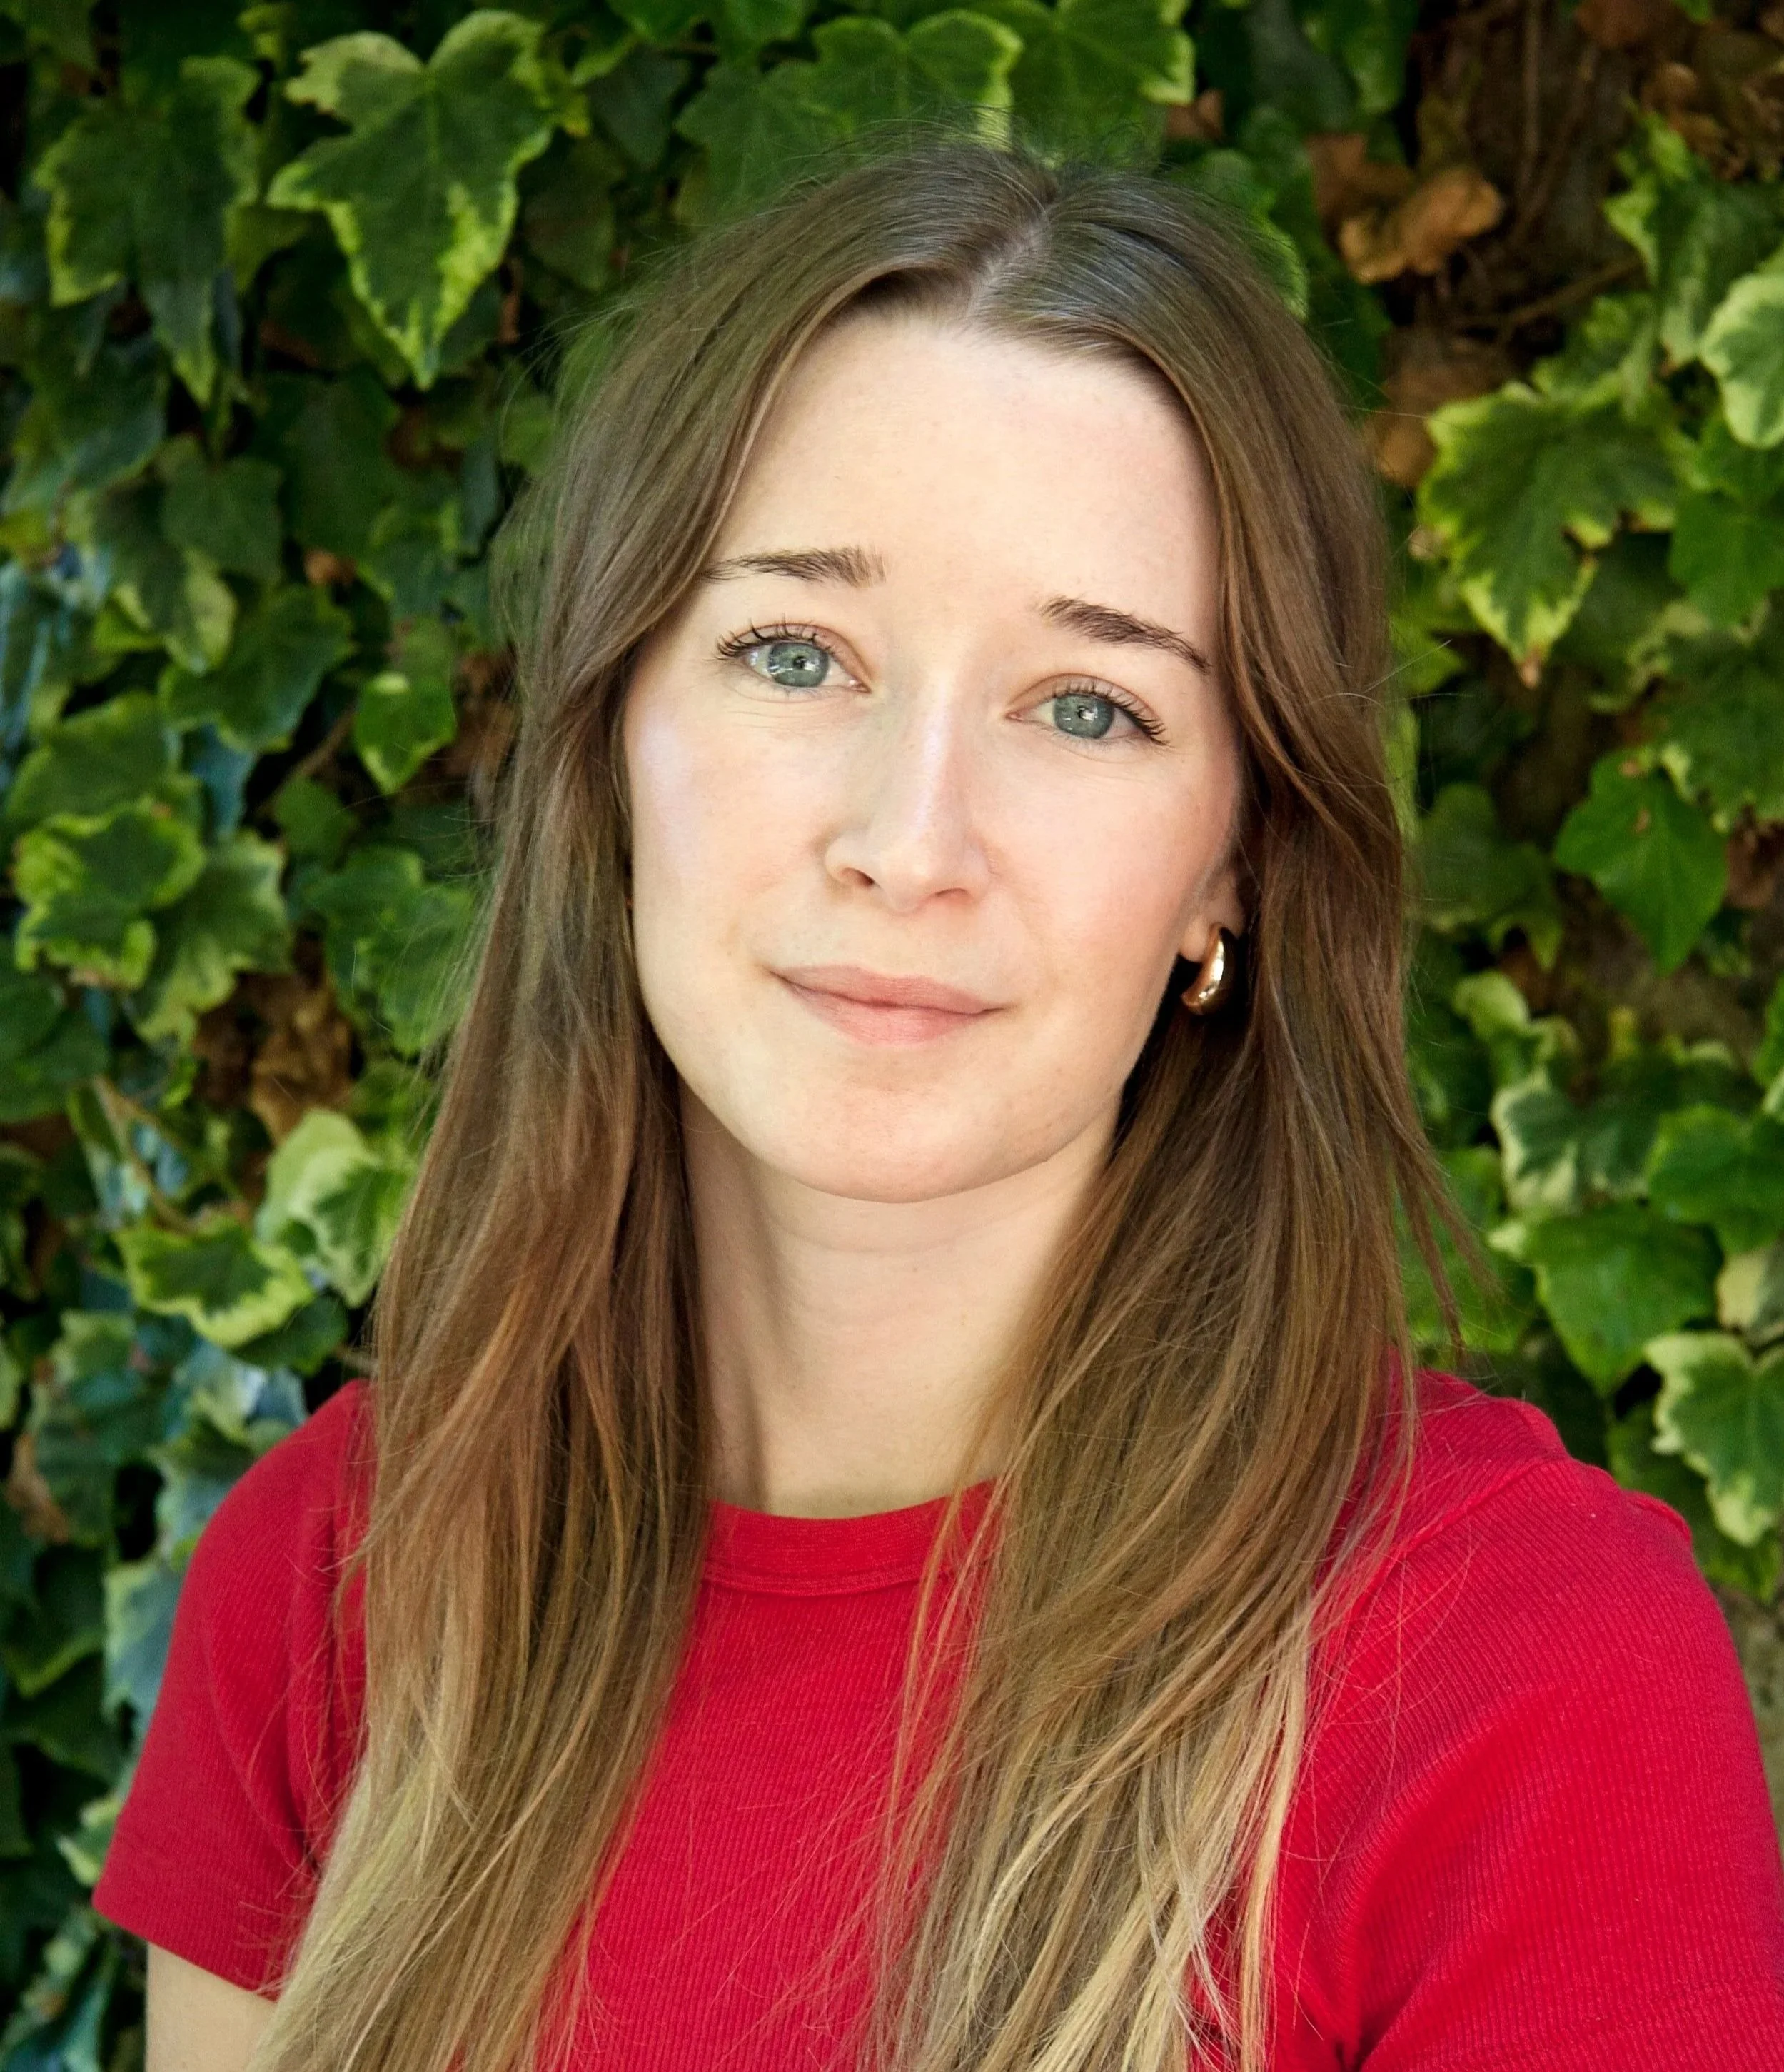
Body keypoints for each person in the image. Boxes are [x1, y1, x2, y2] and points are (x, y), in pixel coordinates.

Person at [95, 136, 1784, 2072]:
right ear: (611, 736)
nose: (910, 841)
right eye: (794, 653)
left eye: (1089, 706)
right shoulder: (338, 1584)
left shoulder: (1515, 1673)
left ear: (1233, 864)